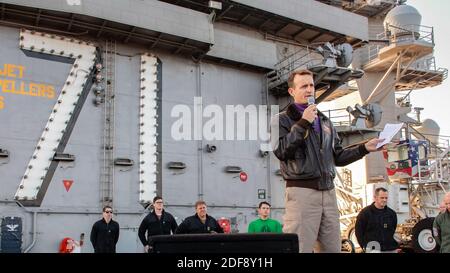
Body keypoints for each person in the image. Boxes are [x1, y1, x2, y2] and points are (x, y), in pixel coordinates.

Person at [271, 69, 384, 253]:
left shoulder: (325, 122)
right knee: (299, 249)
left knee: (332, 249)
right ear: (292, 92)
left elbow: (337, 156)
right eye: (304, 86)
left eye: (312, 85)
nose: (309, 90)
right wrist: (303, 123)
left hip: (329, 194)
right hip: (302, 193)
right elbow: (282, 151)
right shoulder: (281, 120)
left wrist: (364, 148)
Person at [355, 187, 399, 253]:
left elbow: (393, 229)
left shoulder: (392, 214)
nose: (384, 200)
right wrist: (364, 246)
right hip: (372, 249)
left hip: (390, 249)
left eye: (386, 198)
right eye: (382, 198)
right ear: (375, 198)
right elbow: (359, 232)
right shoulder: (365, 213)